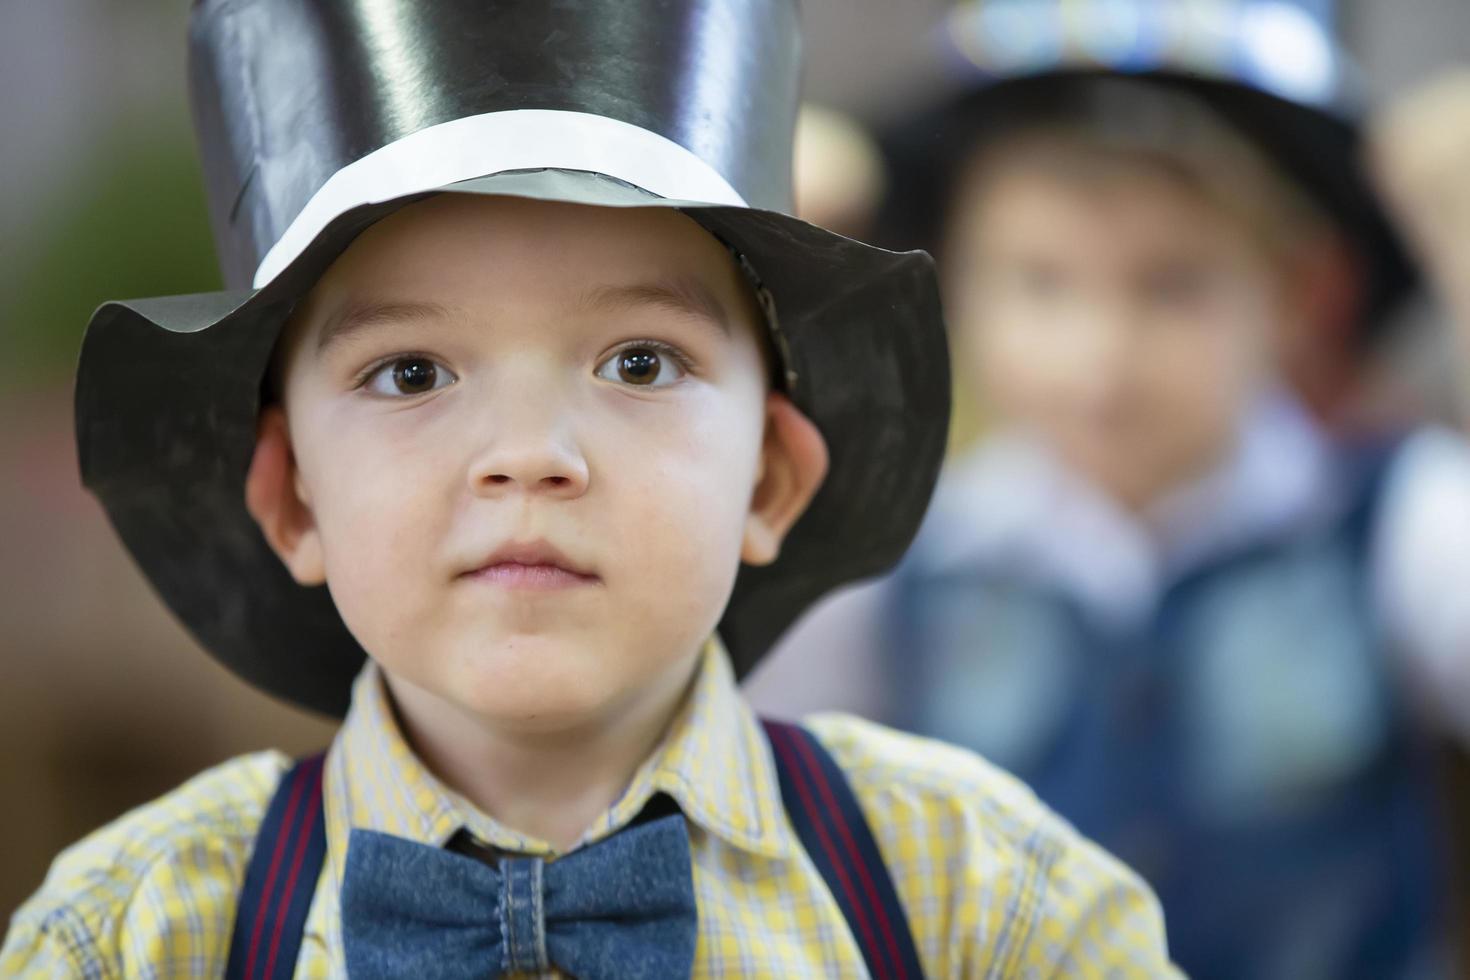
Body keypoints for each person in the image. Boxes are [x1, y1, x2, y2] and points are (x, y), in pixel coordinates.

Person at [0, 1, 1180, 976]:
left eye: (640, 362)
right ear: (293, 498)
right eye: (410, 372)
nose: (529, 452)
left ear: (769, 477)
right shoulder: (134, 935)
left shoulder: (990, 904)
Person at [750, 2, 1470, 978]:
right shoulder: (897, 553)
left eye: (1172, 285)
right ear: (954, 289)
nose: (1102, 356)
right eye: (1041, 282)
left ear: (1303, 294)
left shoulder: (1400, 516)